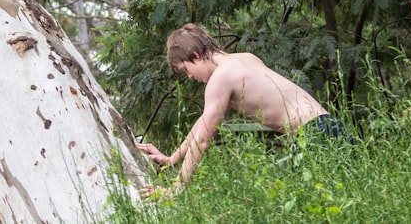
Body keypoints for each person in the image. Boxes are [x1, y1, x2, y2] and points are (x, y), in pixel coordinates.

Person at [136, 24, 349, 198]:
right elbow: (204, 122)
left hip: (314, 136)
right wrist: (172, 159)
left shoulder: (221, 78)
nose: (190, 77)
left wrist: (175, 189)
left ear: (196, 56)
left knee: (314, 206)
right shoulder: (245, 59)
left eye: (186, 70)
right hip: (331, 126)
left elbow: (203, 140)